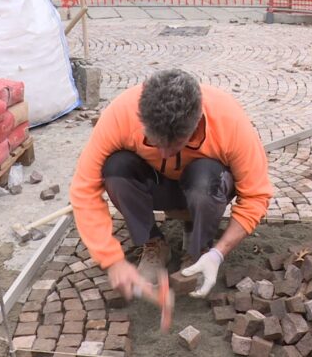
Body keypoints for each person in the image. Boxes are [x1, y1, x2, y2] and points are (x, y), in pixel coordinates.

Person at [70, 69, 273, 300]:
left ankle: (199, 251)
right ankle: (154, 243)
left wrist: (219, 253)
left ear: (196, 124)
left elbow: (257, 195)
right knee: (116, 169)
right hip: (156, 185)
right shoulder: (121, 114)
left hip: (204, 187)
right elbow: (83, 189)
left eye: (175, 145)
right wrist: (112, 260)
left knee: (206, 177)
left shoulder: (229, 120)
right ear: (141, 119)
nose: (164, 153)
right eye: (154, 144)